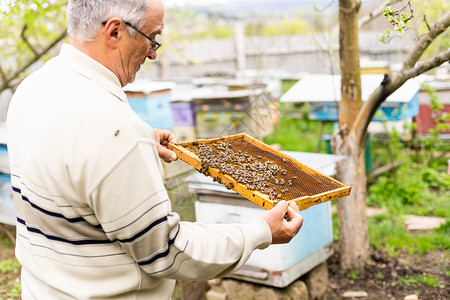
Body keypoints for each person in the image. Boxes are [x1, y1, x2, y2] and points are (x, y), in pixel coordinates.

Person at [6, 0, 304, 298]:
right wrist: (260, 232)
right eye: (152, 37)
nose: (153, 52)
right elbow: (166, 250)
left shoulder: (33, 88)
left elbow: (70, 162)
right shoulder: (114, 133)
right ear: (114, 31)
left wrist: (136, 142)